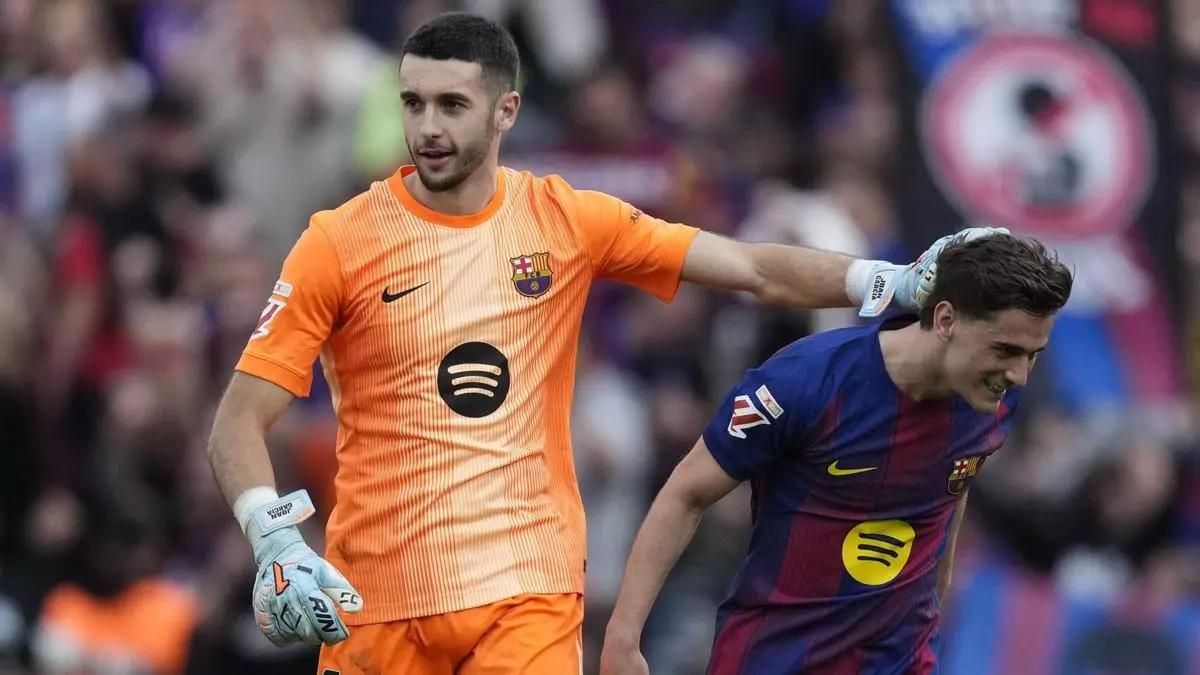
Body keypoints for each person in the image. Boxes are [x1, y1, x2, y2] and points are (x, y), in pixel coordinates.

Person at [206, 11, 1000, 675]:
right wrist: (272, 538)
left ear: (506, 111)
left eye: (452, 104)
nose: (428, 127)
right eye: (413, 103)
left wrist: (890, 280)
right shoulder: (338, 242)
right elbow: (239, 418)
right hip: (380, 601)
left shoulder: (567, 219)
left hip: (525, 596)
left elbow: (752, 267)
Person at [599, 234, 1073, 675]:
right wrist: (623, 637)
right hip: (775, 658)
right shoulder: (806, 382)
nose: (1019, 374)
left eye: (1032, 354)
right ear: (946, 319)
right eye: (1006, 350)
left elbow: (953, 486)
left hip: (899, 660)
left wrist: (935, 609)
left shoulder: (990, 397)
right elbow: (686, 494)